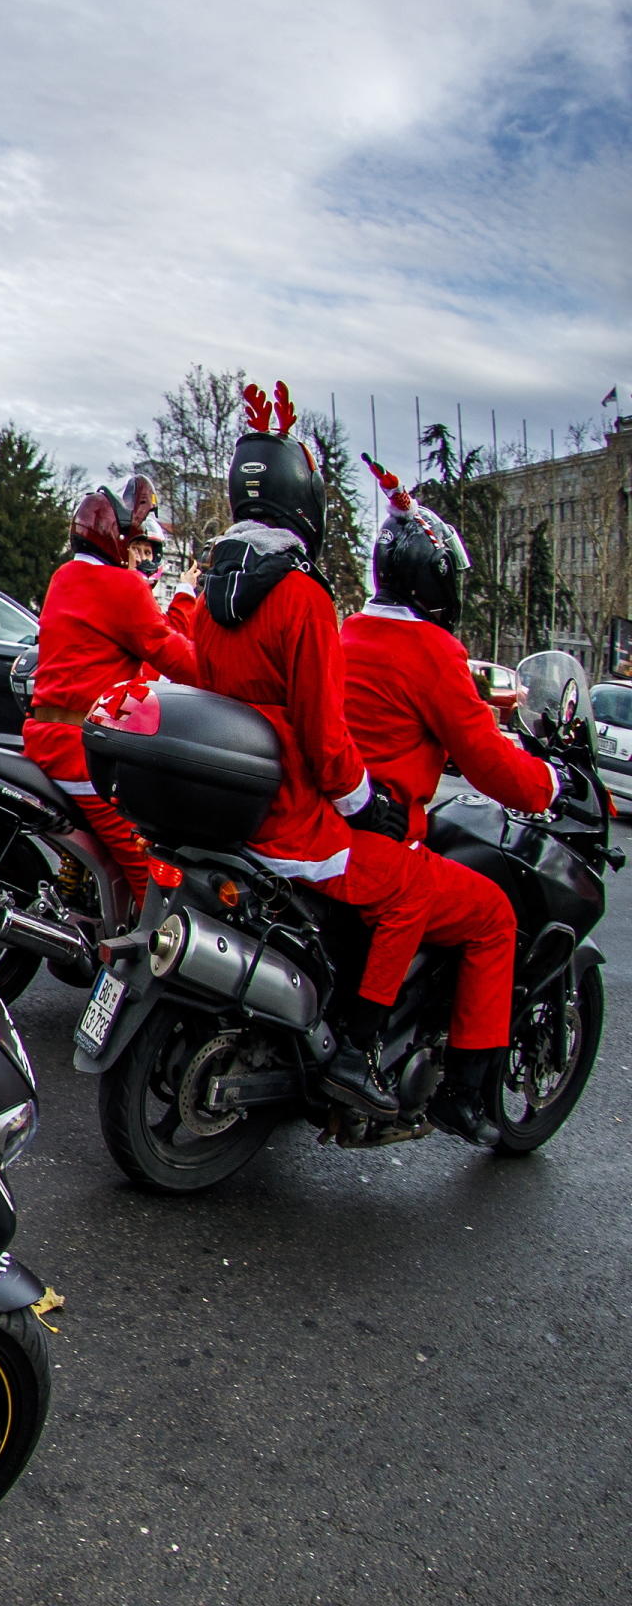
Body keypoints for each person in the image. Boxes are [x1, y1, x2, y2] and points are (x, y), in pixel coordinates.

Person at [180, 383, 502, 1122]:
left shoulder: (212, 591)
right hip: (295, 817)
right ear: (306, 498)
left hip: (232, 807)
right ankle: (356, 1051)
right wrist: (371, 804)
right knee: (413, 887)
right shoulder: (303, 597)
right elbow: (327, 746)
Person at [337, 461, 542, 1143]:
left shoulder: (348, 632)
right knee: (492, 916)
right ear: (436, 581)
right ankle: (463, 1090)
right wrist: (548, 785)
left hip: (330, 822)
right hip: (384, 837)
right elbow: (486, 759)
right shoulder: (431, 649)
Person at [25, 475, 196, 908]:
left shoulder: (65, 576)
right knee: (149, 864)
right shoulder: (123, 587)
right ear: (116, 537)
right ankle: (144, 962)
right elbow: (175, 656)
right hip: (86, 754)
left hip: (46, 740)